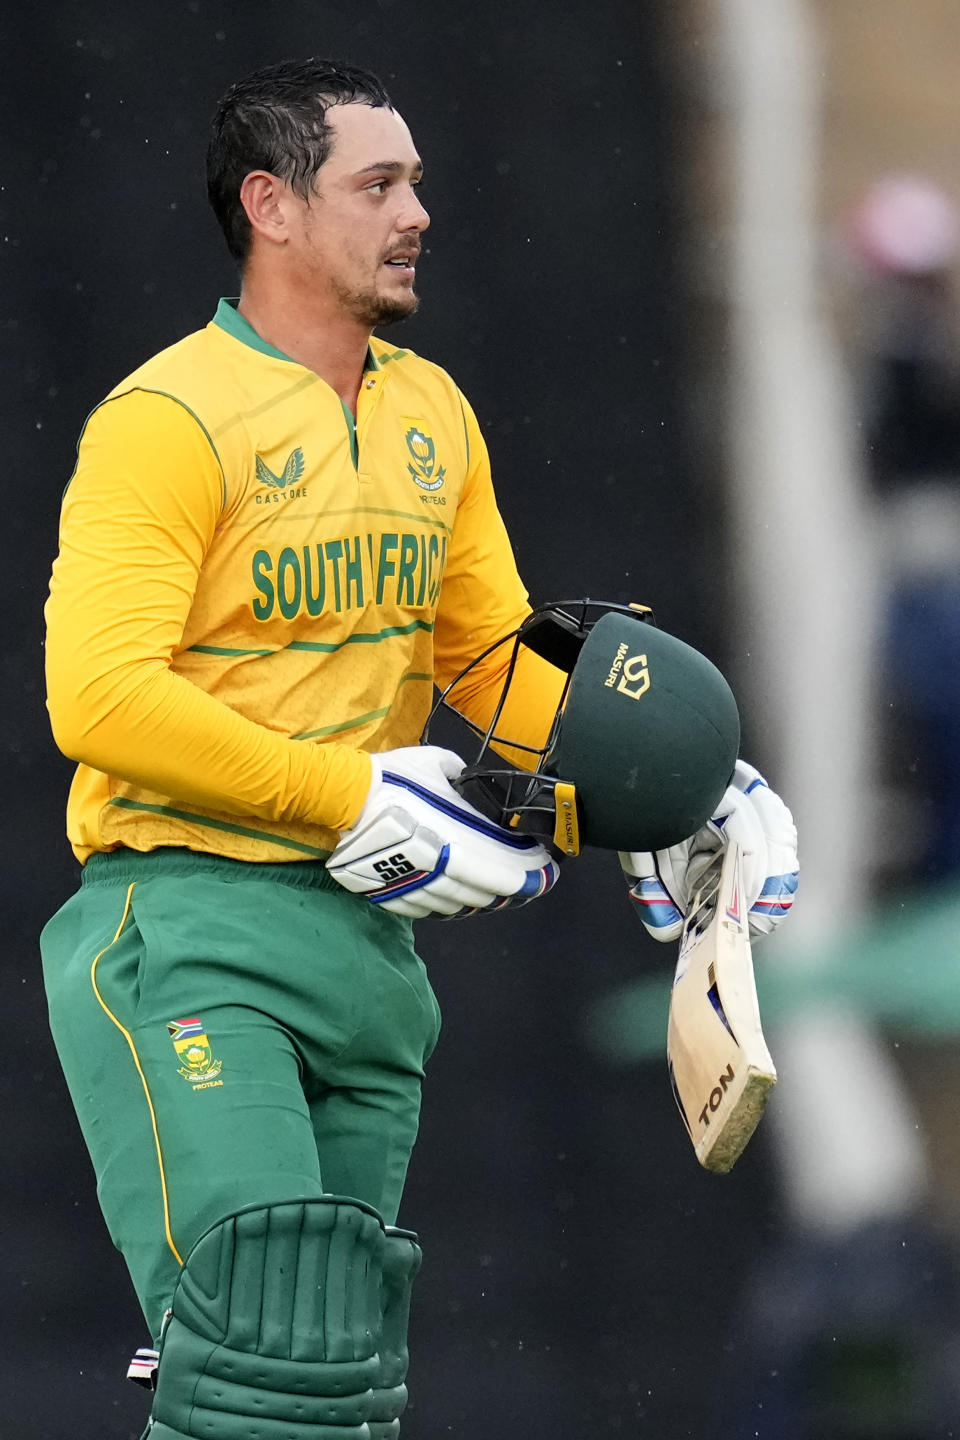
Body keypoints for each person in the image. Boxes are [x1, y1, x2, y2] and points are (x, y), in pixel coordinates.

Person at [41, 59, 797, 1439]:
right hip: (193, 925)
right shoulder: (170, 420)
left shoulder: (430, 410)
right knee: (261, 1363)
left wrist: (679, 783)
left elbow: (489, 660)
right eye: (378, 185)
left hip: (371, 960)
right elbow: (96, 698)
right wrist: (343, 795)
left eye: (420, 182)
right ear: (271, 205)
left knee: (335, 1394)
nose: (418, 212)